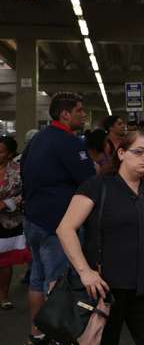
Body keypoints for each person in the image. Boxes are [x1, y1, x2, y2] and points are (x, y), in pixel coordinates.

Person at [56, 131, 144, 345]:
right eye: (139, 152)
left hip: (143, 288)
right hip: (105, 289)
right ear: (121, 153)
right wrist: (85, 272)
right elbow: (65, 229)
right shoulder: (98, 186)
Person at [21, 92, 95, 344]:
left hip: (33, 220)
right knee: (58, 282)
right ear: (65, 115)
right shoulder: (70, 142)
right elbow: (88, 181)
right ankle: (60, 337)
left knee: (37, 280)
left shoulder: (36, 139)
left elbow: (23, 173)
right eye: (80, 111)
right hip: (58, 224)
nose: (83, 115)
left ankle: (37, 333)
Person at [0, 136, 31, 309]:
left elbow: (26, 192)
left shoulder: (18, 170)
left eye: (1, 151)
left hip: (9, 221)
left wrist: (7, 203)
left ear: (10, 154)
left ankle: (4, 296)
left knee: (5, 261)